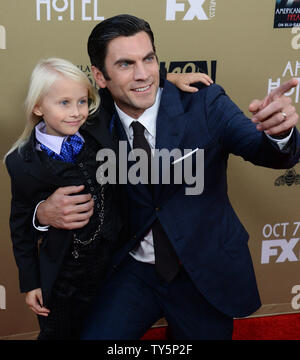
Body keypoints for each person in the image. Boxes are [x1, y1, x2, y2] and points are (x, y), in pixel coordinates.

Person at [35, 15, 300, 340]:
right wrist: (41, 213)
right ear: (100, 77)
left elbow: (267, 152)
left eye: (149, 59)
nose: (143, 73)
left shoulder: (206, 103)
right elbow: (37, 162)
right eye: (126, 64)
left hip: (201, 270)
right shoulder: (88, 121)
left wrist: (280, 134)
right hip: (131, 270)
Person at [4, 57, 212, 340]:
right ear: (38, 106)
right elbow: (20, 223)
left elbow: (122, 87)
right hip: (64, 278)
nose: (76, 112)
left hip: (113, 267)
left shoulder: (95, 126)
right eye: (63, 103)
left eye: (81, 102)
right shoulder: (21, 161)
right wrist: (31, 281)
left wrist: (168, 79)